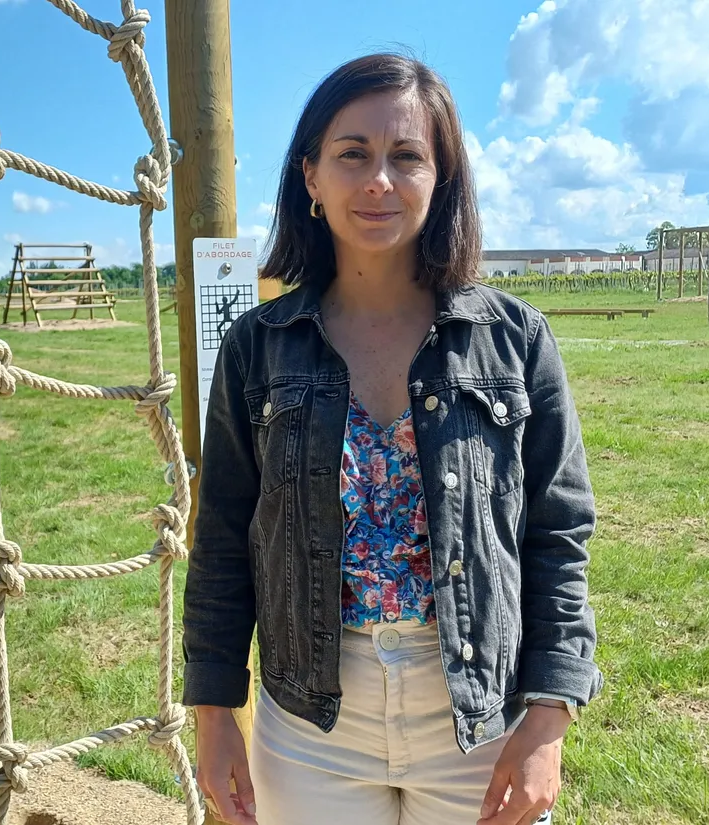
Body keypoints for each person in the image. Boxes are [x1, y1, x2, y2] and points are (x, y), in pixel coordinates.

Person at [181, 53, 603, 825]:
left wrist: (549, 716)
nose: (379, 179)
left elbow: (557, 534)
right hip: (309, 717)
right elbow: (221, 539)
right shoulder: (257, 346)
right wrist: (213, 712)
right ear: (310, 175)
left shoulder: (516, 341)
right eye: (352, 154)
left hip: (480, 709)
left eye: (407, 156)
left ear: (442, 176)